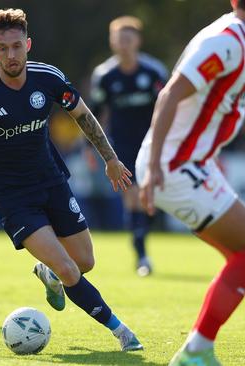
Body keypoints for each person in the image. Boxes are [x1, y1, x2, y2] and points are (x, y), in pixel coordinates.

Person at [0, 8, 143, 351]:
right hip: (12, 198)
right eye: (3, 48)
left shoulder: (48, 79)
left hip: (51, 181)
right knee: (70, 270)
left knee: (84, 263)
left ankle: (48, 273)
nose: (11, 54)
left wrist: (110, 159)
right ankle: (121, 332)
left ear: (28, 45)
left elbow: (83, 115)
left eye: (16, 46)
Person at [136, 1, 245, 364]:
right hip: (175, 167)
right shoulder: (228, 41)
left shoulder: (236, 37)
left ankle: (199, 349)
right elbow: (170, 94)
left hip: (189, 163)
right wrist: (154, 168)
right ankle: (196, 351)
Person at [90, 16, 167, 276]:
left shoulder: (153, 72)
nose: (123, 44)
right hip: (120, 147)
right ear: (112, 42)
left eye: (128, 38)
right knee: (132, 197)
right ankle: (142, 255)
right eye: (118, 39)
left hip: (153, 145)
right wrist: (90, 149)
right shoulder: (105, 76)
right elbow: (92, 116)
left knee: (148, 202)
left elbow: (168, 108)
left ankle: (144, 236)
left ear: (137, 41)